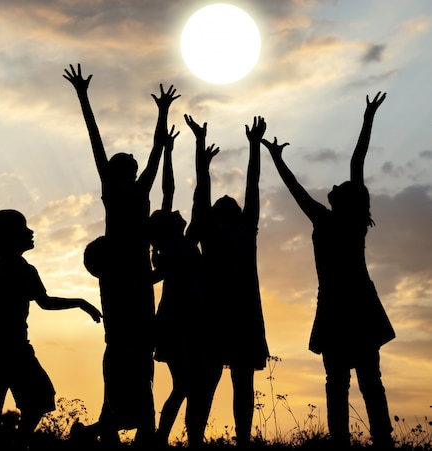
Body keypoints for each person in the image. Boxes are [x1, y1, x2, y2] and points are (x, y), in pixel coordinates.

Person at [262, 92, 394, 448]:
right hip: (357, 302)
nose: (332, 186)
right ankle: (380, 439)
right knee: (366, 378)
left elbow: (351, 164)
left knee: (342, 380)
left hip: (339, 304)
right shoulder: (348, 222)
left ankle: (348, 442)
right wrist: (367, 118)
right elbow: (355, 162)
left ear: (347, 200)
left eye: (338, 187)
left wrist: (276, 158)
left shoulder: (329, 219)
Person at [63, 63, 179, 447]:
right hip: (120, 278)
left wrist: (162, 114)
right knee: (124, 353)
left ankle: (115, 428)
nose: (130, 167)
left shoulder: (138, 191)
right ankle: (127, 428)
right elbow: (95, 142)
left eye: (130, 165)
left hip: (138, 279)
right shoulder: (112, 191)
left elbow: (157, 152)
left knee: (140, 358)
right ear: (117, 172)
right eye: (124, 165)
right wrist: (82, 97)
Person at [0, 209, 102, 449]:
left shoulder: (27, 270)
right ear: (7, 237)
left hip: (19, 348)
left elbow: (44, 302)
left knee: (40, 399)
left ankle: (18, 443)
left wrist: (81, 303)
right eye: (23, 229)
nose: (31, 232)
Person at [186, 114, 270, 447]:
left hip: (222, 312)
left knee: (209, 382)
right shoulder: (244, 229)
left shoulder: (223, 230)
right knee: (235, 382)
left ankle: (201, 438)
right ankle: (240, 440)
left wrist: (202, 154)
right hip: (237, 313)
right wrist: (252, 146)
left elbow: (212, 191)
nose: (224, 199)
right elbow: (251, 186)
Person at [147, 126, 209, 448]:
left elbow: (185, 194)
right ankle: (161, 437)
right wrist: (176, 152)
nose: (180, 215)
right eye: (174, 216)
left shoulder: (177, 246)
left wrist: (176, 151)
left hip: (184, 318)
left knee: (186, 384)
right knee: (186, 384)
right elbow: (176, 193)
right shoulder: (176, 248)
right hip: (177, 320)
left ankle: (163, 437)